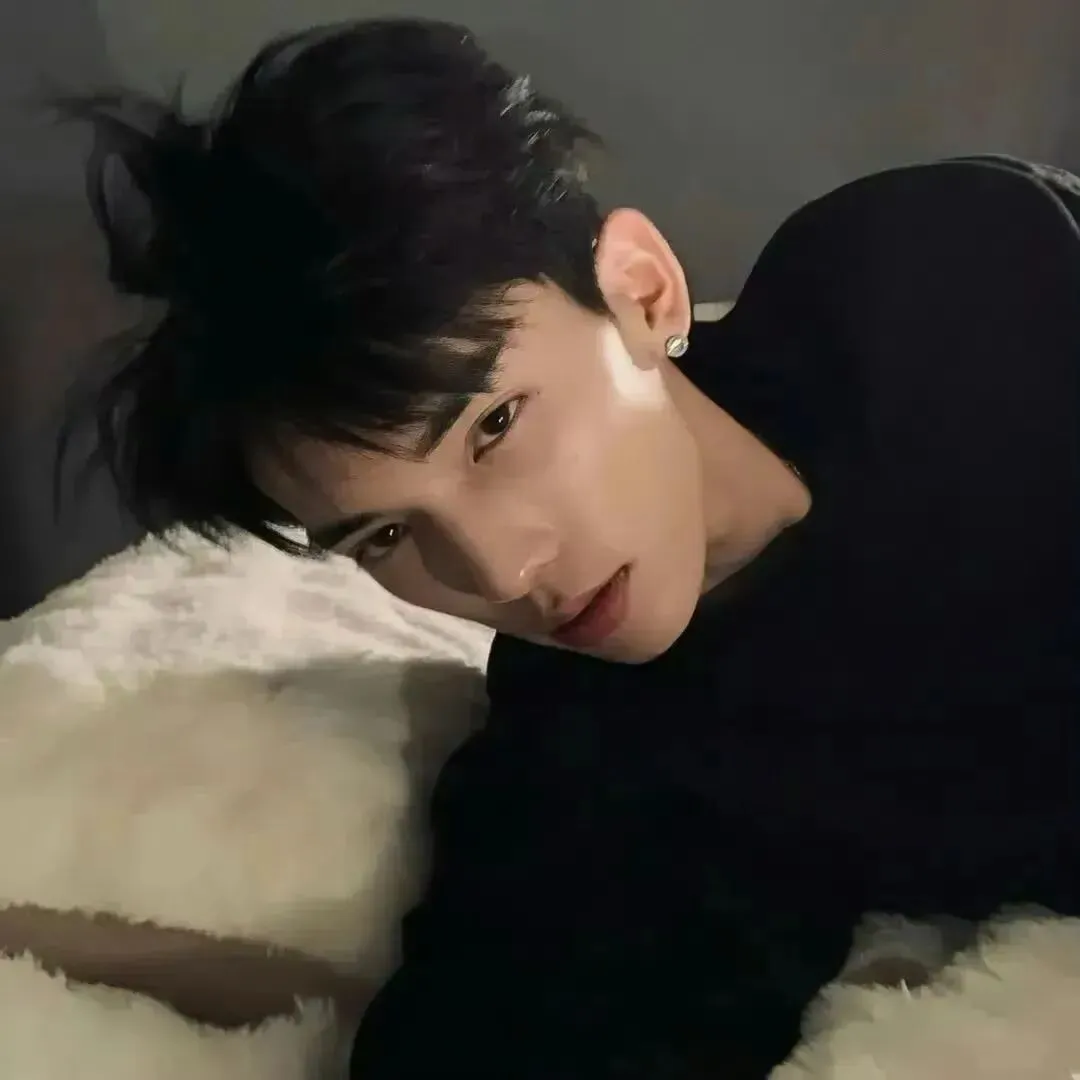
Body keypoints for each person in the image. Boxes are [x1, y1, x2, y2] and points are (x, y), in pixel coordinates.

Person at [62, 17, 1080, 1077]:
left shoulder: (960, 277)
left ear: (643, 290)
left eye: (495, 427)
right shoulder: (592, 772)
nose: (498, 572)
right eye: (388, 534)